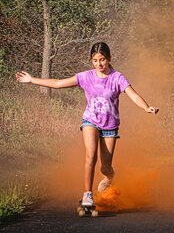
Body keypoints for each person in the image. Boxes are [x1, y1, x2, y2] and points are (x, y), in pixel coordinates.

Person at [16, 42, 158, 207]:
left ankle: (109, 176)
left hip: (110, 127)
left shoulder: (117, 78)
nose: (99, 64)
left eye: (102, 60)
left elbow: (133, 95)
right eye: (95, 60)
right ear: (92, 61)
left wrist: (146, 107)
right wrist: (32, 80)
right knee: (91, 155)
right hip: (90, 121)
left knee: (105, 167)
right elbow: (58, 83)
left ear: (109, 58)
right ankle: (87, 195)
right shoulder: (86, 77)